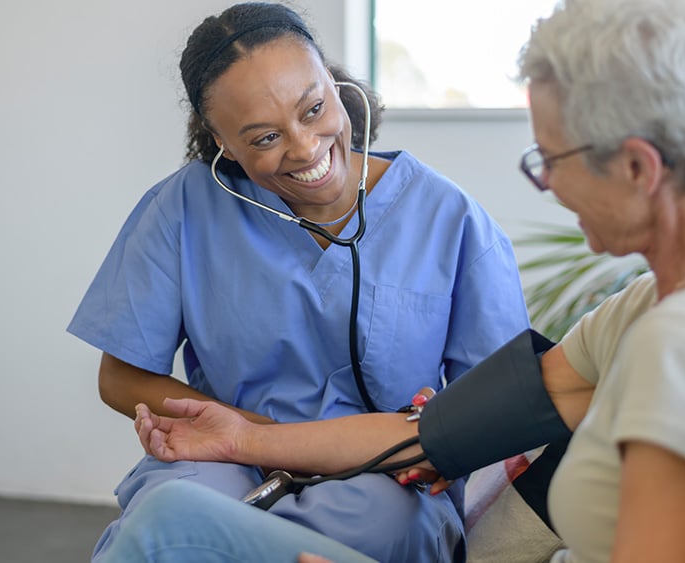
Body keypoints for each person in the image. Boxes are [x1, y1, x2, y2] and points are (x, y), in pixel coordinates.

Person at [121, 0, 685, 561]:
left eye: (548, 157)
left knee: (167, 529)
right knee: (175, 510)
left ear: (637, 167)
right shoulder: (650, 305)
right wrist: (240, 439)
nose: (544, 183)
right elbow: (435, 433)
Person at [66, 2, 530, 562]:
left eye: (313, 108)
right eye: (264, 138)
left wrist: (442, 438)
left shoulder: (450, 220)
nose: (306, 148)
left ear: (336, 87)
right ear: (220, 143)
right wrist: (248, 434)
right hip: (225, 457)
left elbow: (503, 406)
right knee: (173, 510)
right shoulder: (182, 210)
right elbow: (121, 377)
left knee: (383, 526)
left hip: (377, 477)